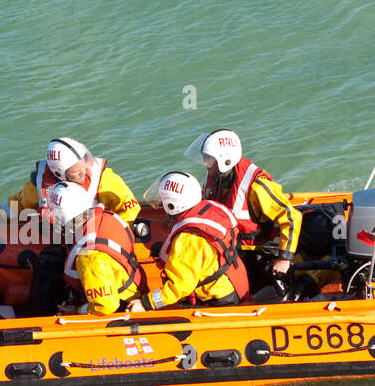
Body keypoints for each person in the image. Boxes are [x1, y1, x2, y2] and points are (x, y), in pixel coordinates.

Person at [185, 129, 302, 279]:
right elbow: (207, 201)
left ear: (225, 161)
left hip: (262, 250)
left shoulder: (257, 186)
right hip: (234, 246)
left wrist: (284, 258)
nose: (205, 163)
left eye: (209, 159)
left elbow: (291, 217)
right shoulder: (217, 175)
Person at [126, 172, 249, 311]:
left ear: (173, 206)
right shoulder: (210, 208)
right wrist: (175, 219)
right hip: (235, 279)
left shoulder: (187, 240)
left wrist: (146, 303)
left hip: (220, 299)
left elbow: (180, 287)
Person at [41, 182, 145, 315]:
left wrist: (76, 310)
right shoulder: (107, 216)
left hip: (120, 305)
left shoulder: (88, 257)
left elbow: (106, 307)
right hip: (129, 284)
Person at [0, 137, 140, 224]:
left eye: (85, 163)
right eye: (76, 172)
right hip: (57, 240)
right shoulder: (39, 185)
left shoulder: (104, 179)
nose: (85, 172)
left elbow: (130, 207)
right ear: (60, 174)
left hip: (92, 238)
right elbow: (19, 204)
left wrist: (118, 234)